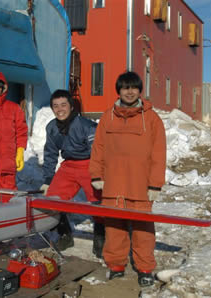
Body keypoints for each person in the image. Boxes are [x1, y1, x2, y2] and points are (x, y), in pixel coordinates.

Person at [89, 71, 166, 287]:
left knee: (143, 231)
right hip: (113, 183)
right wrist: (96, 174)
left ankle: (144, 268)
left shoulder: (151, 119)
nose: (129, 92)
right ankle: (116, 265)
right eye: (125, 88)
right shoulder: (107, 117)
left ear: (140, 90)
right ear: (119, 91)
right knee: (114, 228)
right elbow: (98, 148)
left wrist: (155, 184)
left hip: (140, 184)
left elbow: (159, 153)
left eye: (133, 87)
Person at [40, 89, 105, 255]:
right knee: (52, 201)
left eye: (63, 105)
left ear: (71, 106)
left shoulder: (86, 126)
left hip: (90, 165)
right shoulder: (52, 128)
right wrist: (48, 179)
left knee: (98, 203)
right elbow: (50, 153)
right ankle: (65, 235)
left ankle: (101, 238)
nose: (60, 109)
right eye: (55, 106)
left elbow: (99, 152)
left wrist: (99, 175)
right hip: (68, 166)